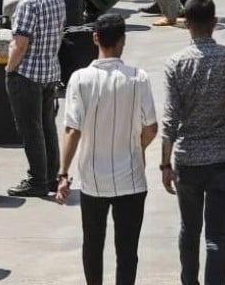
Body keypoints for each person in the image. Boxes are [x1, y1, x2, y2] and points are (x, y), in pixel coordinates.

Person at [160, 0, 225, 285]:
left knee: (189, 231)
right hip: (224, 160)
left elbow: (169, 120)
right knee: (217, 237)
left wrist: (165, 164)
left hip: (188, 160)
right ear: (215, 23)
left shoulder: (175, 64)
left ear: (186, 24)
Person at [55, 14, 158, 285]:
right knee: (127, 252)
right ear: (123, 40)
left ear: (95, 38)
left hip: (93, 180)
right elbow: (151, 128)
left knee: (92, 245)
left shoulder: (80, 79)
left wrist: (63, 173)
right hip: (132, 179)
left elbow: (72, 129)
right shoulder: (139, 78)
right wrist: (138, 146)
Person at [5, 0, 66, 197]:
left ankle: (37, 180)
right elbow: (60, 34)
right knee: (47, 126)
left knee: (31, 129)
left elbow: (20, 43)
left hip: (27, 74)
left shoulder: (28, 2)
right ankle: (51, 176)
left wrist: (10, 69)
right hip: (50, 71)